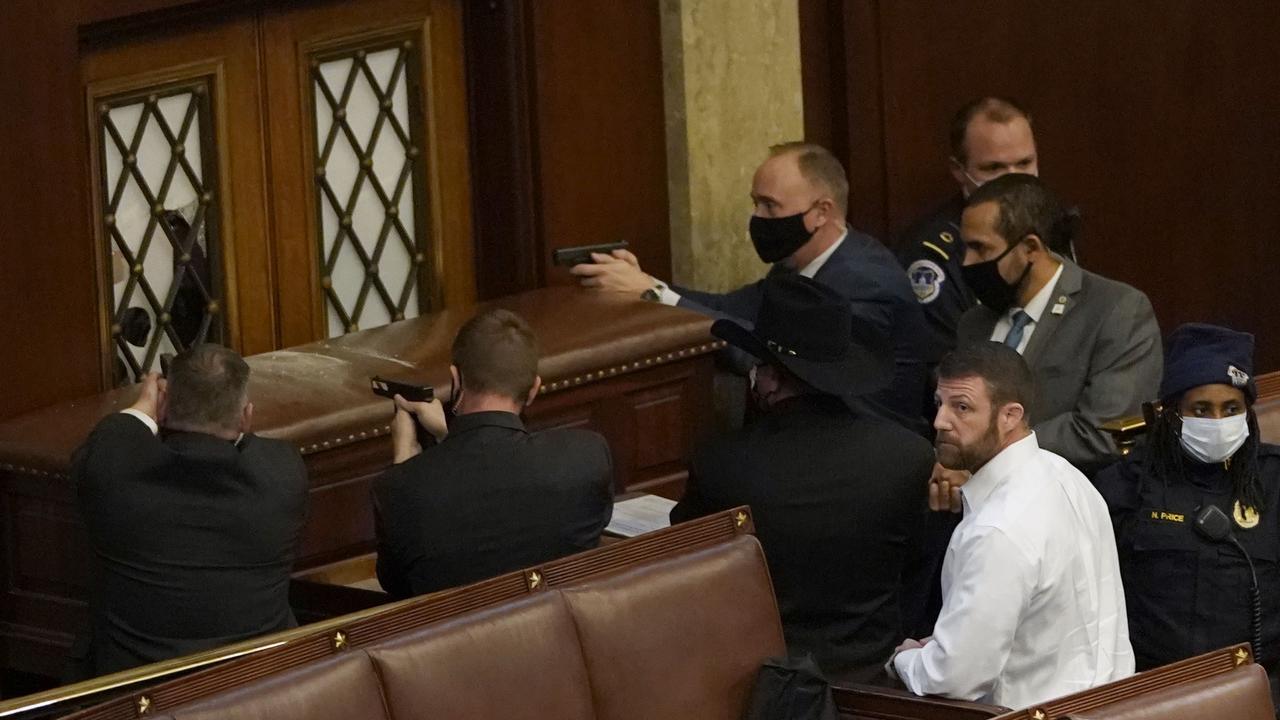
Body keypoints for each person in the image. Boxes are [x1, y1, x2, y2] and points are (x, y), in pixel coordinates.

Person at [670, 274, 934, 682]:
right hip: (871, 682)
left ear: (772, 378)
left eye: (759, 366)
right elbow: (919, 569)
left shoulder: (719, 464)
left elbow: (687, 571)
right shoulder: (908, 456)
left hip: (757, 683)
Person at [571, 141, 930, 433]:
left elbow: (781, 360)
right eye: (755, 204)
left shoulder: (864, 282)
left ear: (821, 212)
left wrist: (656, 296)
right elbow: (733, 308)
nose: (757, 218)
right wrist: (649, 285)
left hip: (871, 447)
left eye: (770, 206)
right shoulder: (796, 263)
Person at [889, 342, 1133, 709]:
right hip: (1113, 710)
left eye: (962, 407)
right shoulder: (1069, 477)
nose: (940, 421)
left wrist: (905, 659)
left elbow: (954, 678)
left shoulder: (998, 528)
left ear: (1010, 416)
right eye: (939, 403)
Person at [71, 344, 308, 677]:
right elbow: (260, 450)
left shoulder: (112, 468)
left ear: (163, 407)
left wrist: (143, 407)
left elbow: (112, 438)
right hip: (259, 687)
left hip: (135, 693)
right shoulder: (282, 473)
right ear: (245, 416)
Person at [372, 308, 614, 599]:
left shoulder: (401, 487)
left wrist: (405, 460)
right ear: (534, 389)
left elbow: (397, 584)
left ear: (456, 379)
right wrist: (445, 436)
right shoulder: (585, 457)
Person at [1096, 324, 1280, 705]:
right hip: (1150, 689)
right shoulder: (1125, 485)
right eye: (1200, 410)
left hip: (1264, 688)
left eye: (1231, 409)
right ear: (1171, 413)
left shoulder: (1275, 481)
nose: (1217, 422)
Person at [954, 173, 1161, 474]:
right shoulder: (973, 323)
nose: (967, 263)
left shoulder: (1117, 311)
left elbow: (1103, 432)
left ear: (1031, 249)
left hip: (1067, 502)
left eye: (981, 249)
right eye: (966, 248)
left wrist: (989, 454)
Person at [899, 96, 1041, 364]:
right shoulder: (934, 252)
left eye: (1024, 163)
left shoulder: (1049, 227)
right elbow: (947, 364)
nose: (1013, 178)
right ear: (959, 170)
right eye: (994, 167)